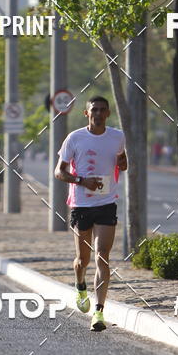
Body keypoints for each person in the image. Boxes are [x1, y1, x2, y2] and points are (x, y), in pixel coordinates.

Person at [55, 96, 127, 331]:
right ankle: (80, 285)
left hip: (106, 202)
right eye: (94, 110)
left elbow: (122, 161)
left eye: (102, 110)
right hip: (81, 205)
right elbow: (59, 172)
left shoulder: (117, 137)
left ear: (108, 113)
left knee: (102, 256)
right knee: (82, 261)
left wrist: (123, 162)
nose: (98, 113)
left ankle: (99, 312)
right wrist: (82, 181)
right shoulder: (75, 138)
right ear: (86, 114)